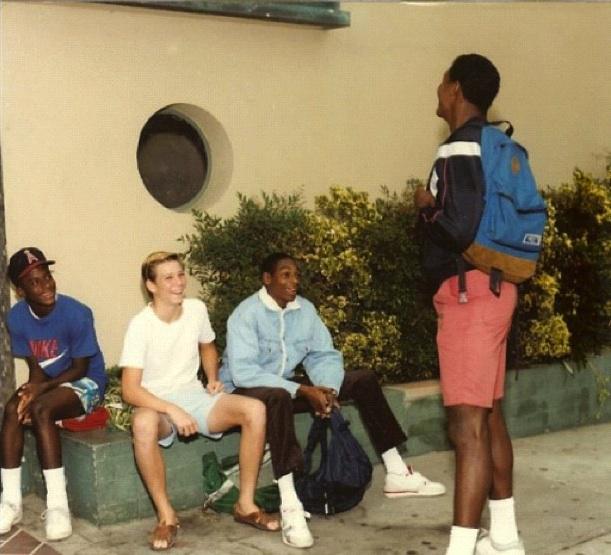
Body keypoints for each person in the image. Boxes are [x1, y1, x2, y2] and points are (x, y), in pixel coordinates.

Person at [219, 252, 446, 549]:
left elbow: (323, 354)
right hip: (244, 389)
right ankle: (290, 505)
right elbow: (244, 372)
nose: (294, 281)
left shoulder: (305, 310)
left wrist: (328, 390)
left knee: (362, 380)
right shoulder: (246, 314)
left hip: (283, 386)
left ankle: (397, 472)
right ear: (267, 279)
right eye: (285, 275)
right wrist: (302, 391)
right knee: (276, 397)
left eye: (296, 275)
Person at [415, 54, 525, 555]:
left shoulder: (459, 147)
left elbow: (457, 227)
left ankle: (461, 548)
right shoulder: (496, 142)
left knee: (467, 425)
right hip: (497, 288)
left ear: (455, 89)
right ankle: (503, 538)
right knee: (490, 414)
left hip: (467, 295)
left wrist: (424, 208)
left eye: (442, 82)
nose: (437, 90)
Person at [119, 251, 279, 551]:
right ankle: (166, 516)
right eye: (168, 277)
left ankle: (245, 504)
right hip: (158, 405)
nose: (179, 282)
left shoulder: (196, 309)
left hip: (195, 396)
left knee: (254, 409)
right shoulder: (141, 325)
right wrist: (171, 409)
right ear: (151, 286)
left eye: (180, 274)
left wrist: (212, 376)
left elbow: (207, 345)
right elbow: (130, 389)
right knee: (141, 422)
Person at [0, 247, 107, 541]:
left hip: (88, 382)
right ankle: (10, 501)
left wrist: (41, 390)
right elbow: (37, 369)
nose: (45, 286)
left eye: (47, 277)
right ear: (20, 291)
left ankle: (58, 505)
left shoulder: (77, 313)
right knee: (13, 409)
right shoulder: (18, 318)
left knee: (41, 410)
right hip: (50, 383)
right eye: (35, 282)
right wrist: (30, 391)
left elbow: (80, 367)